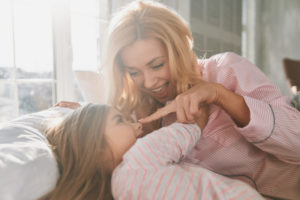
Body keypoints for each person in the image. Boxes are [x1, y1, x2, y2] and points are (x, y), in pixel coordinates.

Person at [58, 1, 300, 199]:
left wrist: (220, 95)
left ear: (179, 49)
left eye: (157, 65)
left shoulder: (226, 70)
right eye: (134, 72)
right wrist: (85, 116)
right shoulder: (142, 119)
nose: (150, 82)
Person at [41, 103, 263, 200]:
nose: (137, 125)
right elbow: (186, 131)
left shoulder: (120, 190)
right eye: (121, 121)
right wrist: (200, 112)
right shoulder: (140, 157)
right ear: (95, 146)